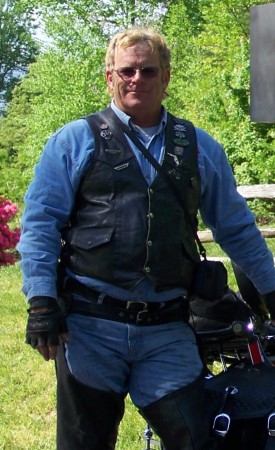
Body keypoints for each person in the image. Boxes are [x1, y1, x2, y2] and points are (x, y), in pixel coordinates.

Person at [18, 26, 275, 450]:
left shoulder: (198, 147)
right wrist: (42, 301)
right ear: (110, 77)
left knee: (195, 437)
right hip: (91, 323)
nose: (136, 79)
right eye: (126, 71)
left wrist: (270, 289)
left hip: (166, 326)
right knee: (85, 443)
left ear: (166, 77)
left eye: (148, 70)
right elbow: (41, 223)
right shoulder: (75, 140)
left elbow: (236, 228)